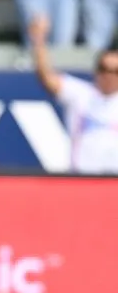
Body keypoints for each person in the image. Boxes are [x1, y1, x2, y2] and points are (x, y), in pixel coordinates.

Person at [30, 16, 118, 175]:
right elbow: (47, 77)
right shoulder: (81, 94)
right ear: (97, 71)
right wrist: (39, 40)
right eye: (104, 69)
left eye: (115, 71)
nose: (109, 76)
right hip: (82, 179)